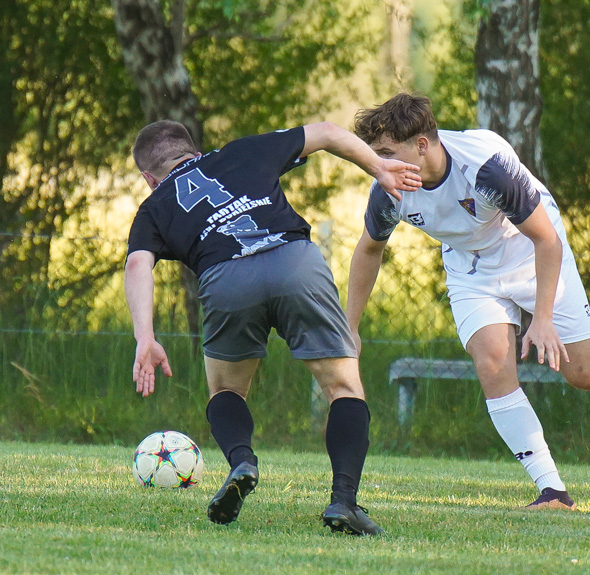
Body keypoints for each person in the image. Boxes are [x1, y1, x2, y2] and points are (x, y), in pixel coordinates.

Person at [346, 93, 590, 510]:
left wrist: (541, 318)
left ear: (422, 145)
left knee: (586, 374)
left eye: (386, 153)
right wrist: (348, 328)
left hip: (532, 249)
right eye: (374, 156)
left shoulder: (486, 167)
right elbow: (369, 250)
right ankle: (553, 490)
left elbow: (546, 239)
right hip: (470, 267)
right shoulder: (389, 188)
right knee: (492, 363)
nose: (378, 165)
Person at [124, 119, 421, 535]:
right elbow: (327, 131)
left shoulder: (154, 206)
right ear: (192, 149)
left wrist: (146, 337)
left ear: (148, 178)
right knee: (343, 387)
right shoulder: (241, 151)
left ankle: (243, 460)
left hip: (227, 278)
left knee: (226, 390)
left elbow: (138, 263)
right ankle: (343, 502)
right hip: (294, 261)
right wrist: (378, 167)